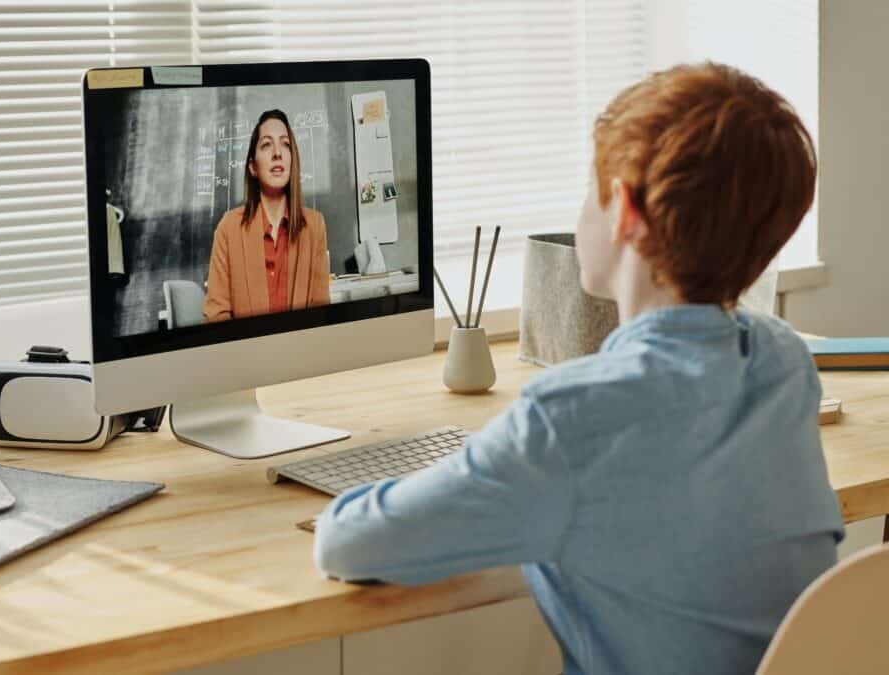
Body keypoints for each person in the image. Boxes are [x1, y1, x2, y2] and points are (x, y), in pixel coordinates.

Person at [312, 63, 844, 675]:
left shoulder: (569, 421)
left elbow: (347, 543)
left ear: (624, 211)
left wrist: (480, 468)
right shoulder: (782, 361)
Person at [203, 109, 331, 322]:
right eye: (266, 145)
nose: (277, 153)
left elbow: (321, 314)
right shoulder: (228, 228)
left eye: (285, 144)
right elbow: (217, 317)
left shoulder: (314, 226)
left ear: (293, 161)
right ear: (253, 166)